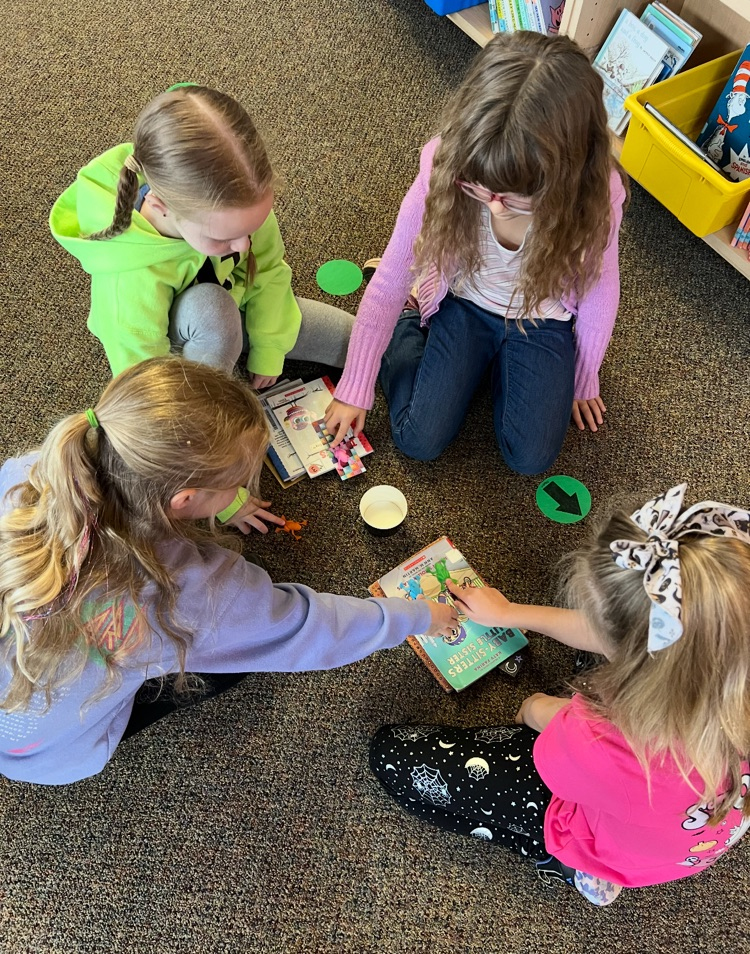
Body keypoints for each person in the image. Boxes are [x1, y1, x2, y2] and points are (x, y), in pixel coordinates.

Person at [0, 358, 457, 785]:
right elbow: (310, 628)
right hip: (58, 750)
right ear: (184, 501)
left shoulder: (26, 475)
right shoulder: (197, 592)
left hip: (24, 719)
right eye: (236, 485)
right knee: (228, 660)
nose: (241, 490)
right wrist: (418, 617)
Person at [370, 485, 750, 905]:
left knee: (391, 756)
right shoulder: (724, 653)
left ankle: (573, 863)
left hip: (612, 830)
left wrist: (533, 708)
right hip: (692, 824)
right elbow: (620, 637)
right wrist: (510, 614)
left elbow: (540, 717)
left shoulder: (603, 740)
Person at [325, 32, 628, 473]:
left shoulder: (599, 193)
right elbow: (392, 275)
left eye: (513, 199)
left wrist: (584, 376)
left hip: (543, 321)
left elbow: (601, 288)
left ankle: (494, 363)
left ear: (563, 179)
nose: (492, 206)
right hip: (463, 304)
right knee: (417, 439)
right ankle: (411, 324)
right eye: (479, 188)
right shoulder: (447, 161)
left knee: (531, 459)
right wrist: (356, 384)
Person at [50, 84, 354, 388]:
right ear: (161, 207)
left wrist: (270, 348)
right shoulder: (127, 283)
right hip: (171, 343)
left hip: (235, 305)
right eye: (224, 238)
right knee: (212, 309)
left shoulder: (239, 205)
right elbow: (147, 382)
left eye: (249, 230)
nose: (244, 245)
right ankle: (212, 384)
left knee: (358, 339)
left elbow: (269, 272)